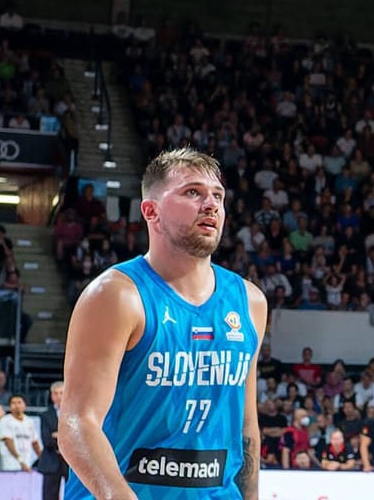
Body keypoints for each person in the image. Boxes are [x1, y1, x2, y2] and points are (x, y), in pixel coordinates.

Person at [59, 148, 268, 500]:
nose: (211, 204)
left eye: (218, 195)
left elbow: (246, 428)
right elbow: (76, 423)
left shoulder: (250, 302)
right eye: (192, 192)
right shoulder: (116, 296)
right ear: (150, 211)